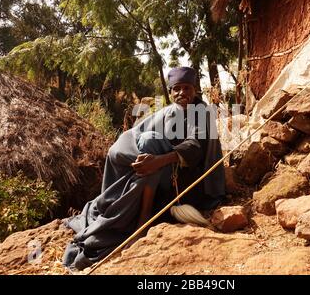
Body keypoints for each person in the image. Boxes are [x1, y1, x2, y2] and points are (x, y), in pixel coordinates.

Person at [62, 67, 226, 270]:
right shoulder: (167, 112)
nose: (182, 93)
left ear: (195, 90)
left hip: (187, 181)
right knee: (141, 141)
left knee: (150, 141)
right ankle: (135, 204)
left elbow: (195, 147)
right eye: (177, 89)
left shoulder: (201, 112)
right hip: (160, 173)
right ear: (171, 91)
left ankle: (143, 220)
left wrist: (158, 160)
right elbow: (133, 134)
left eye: (187, 88)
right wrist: (140, 159)